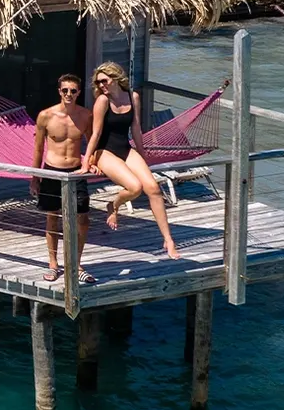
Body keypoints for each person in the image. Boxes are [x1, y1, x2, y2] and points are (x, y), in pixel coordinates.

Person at [82, 61, 181, 260]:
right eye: (98, 82)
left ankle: (168, 240)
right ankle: (114, 205)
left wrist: (142, 155)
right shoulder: (102, 101)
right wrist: (87, 163)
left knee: (153, 188)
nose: (101, 85)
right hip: (104, 151)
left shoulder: (132, 97)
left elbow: (135, 128)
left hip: (125, 148)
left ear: (116, 78)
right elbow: (96, 133)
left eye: (105, 81)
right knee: (135, 187)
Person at [30, 73, 94, 283]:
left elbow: (92, 144)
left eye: (73, 91)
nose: (69, 94)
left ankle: (75, 264)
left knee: (82, 219)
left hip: (76, 172)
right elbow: (38, 148)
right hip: (52, 171)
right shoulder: (46, 116)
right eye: (65, 90)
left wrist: (91, 163)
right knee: (53, 218)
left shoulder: (86, 116)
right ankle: (53, 263)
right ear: (59, 91)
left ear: (78, 92)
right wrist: (35, 177)